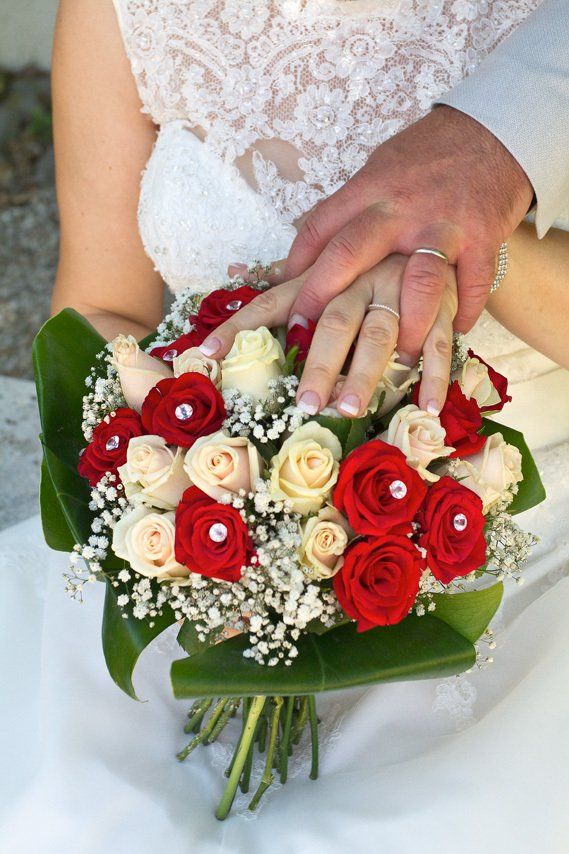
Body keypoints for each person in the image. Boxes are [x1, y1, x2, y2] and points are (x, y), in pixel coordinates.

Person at [1, 2, 568, 851]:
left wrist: (467, 240)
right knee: (74, 814)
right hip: (201, 561)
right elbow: (104, 306)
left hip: (511, 548)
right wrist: (177, 517)